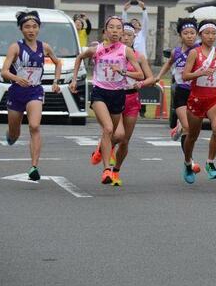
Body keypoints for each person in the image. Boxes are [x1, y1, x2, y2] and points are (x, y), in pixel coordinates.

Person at [71, 16, 144, 185]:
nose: (115, 31)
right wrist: (74, 79)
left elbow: (140, 75)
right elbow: (79, 57)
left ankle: (99, 150)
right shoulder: (96, 49)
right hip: (100, 93)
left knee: (119, 135)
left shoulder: (126, 51)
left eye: (119, 28)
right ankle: (106, 170)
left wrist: (123, 72)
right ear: (105, 31)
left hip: (118, 94)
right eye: (111, 27)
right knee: (108, 128)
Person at [1, 11, 62, 182]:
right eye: (27, 27)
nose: (31, 30)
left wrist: (55, 82)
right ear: (21, 29)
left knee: (34, 126)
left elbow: (58, 63)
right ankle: (11, 134)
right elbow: (4, 71)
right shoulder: (16, 47)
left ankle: (34, 166)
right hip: (16, 92)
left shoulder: (45, 47)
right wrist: (16, 78)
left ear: (39, 29)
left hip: (35, 91)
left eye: (34, 27)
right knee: (15, 133)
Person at [180, 20, 216, 183]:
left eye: (214, 33)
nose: (211, 36)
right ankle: (187, 162)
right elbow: (185, 76)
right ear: (201, 35)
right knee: (192, 136)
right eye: (207, 33)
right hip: (197, 98)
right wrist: (200, 73)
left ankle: (210, 162)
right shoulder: (195, 53)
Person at [155, 18, 201, 174]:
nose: (189, 36)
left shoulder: (200, 50)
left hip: (198, 91)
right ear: (180, 35)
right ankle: (190, 161)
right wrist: (159, 76)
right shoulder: (176, 52)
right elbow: (169, 63)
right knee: (189, 127)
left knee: (193, 129)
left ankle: (179, 127)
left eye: (192, 33)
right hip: (181, 91)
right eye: (186, 33)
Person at [114, 23, 156, 185]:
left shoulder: (139, 56)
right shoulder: (111, 53)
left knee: (125, 139)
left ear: (134, 37)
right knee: (114, 134)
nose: (125, 38)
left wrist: (141, 84)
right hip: (114, 96)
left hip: (132, 98)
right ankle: (104, 149)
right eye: (123, 34)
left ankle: (116, 170)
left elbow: (151, 78)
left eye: (129, 35)